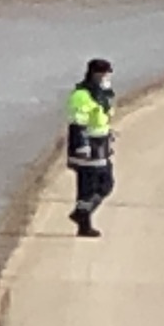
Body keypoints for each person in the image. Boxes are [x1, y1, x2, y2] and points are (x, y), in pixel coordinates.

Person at [67, 59, 119, 236]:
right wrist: (82, 146)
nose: (107, 78)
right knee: (90, 187)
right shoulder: (81, 95)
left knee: (102, 185)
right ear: (94, 74)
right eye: (104, 74)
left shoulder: (103, 95)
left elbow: (101, 119)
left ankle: (82, 215)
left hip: (101, 145)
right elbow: (77, 124)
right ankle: (83, 220)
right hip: (87, 148)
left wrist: (109, 133)